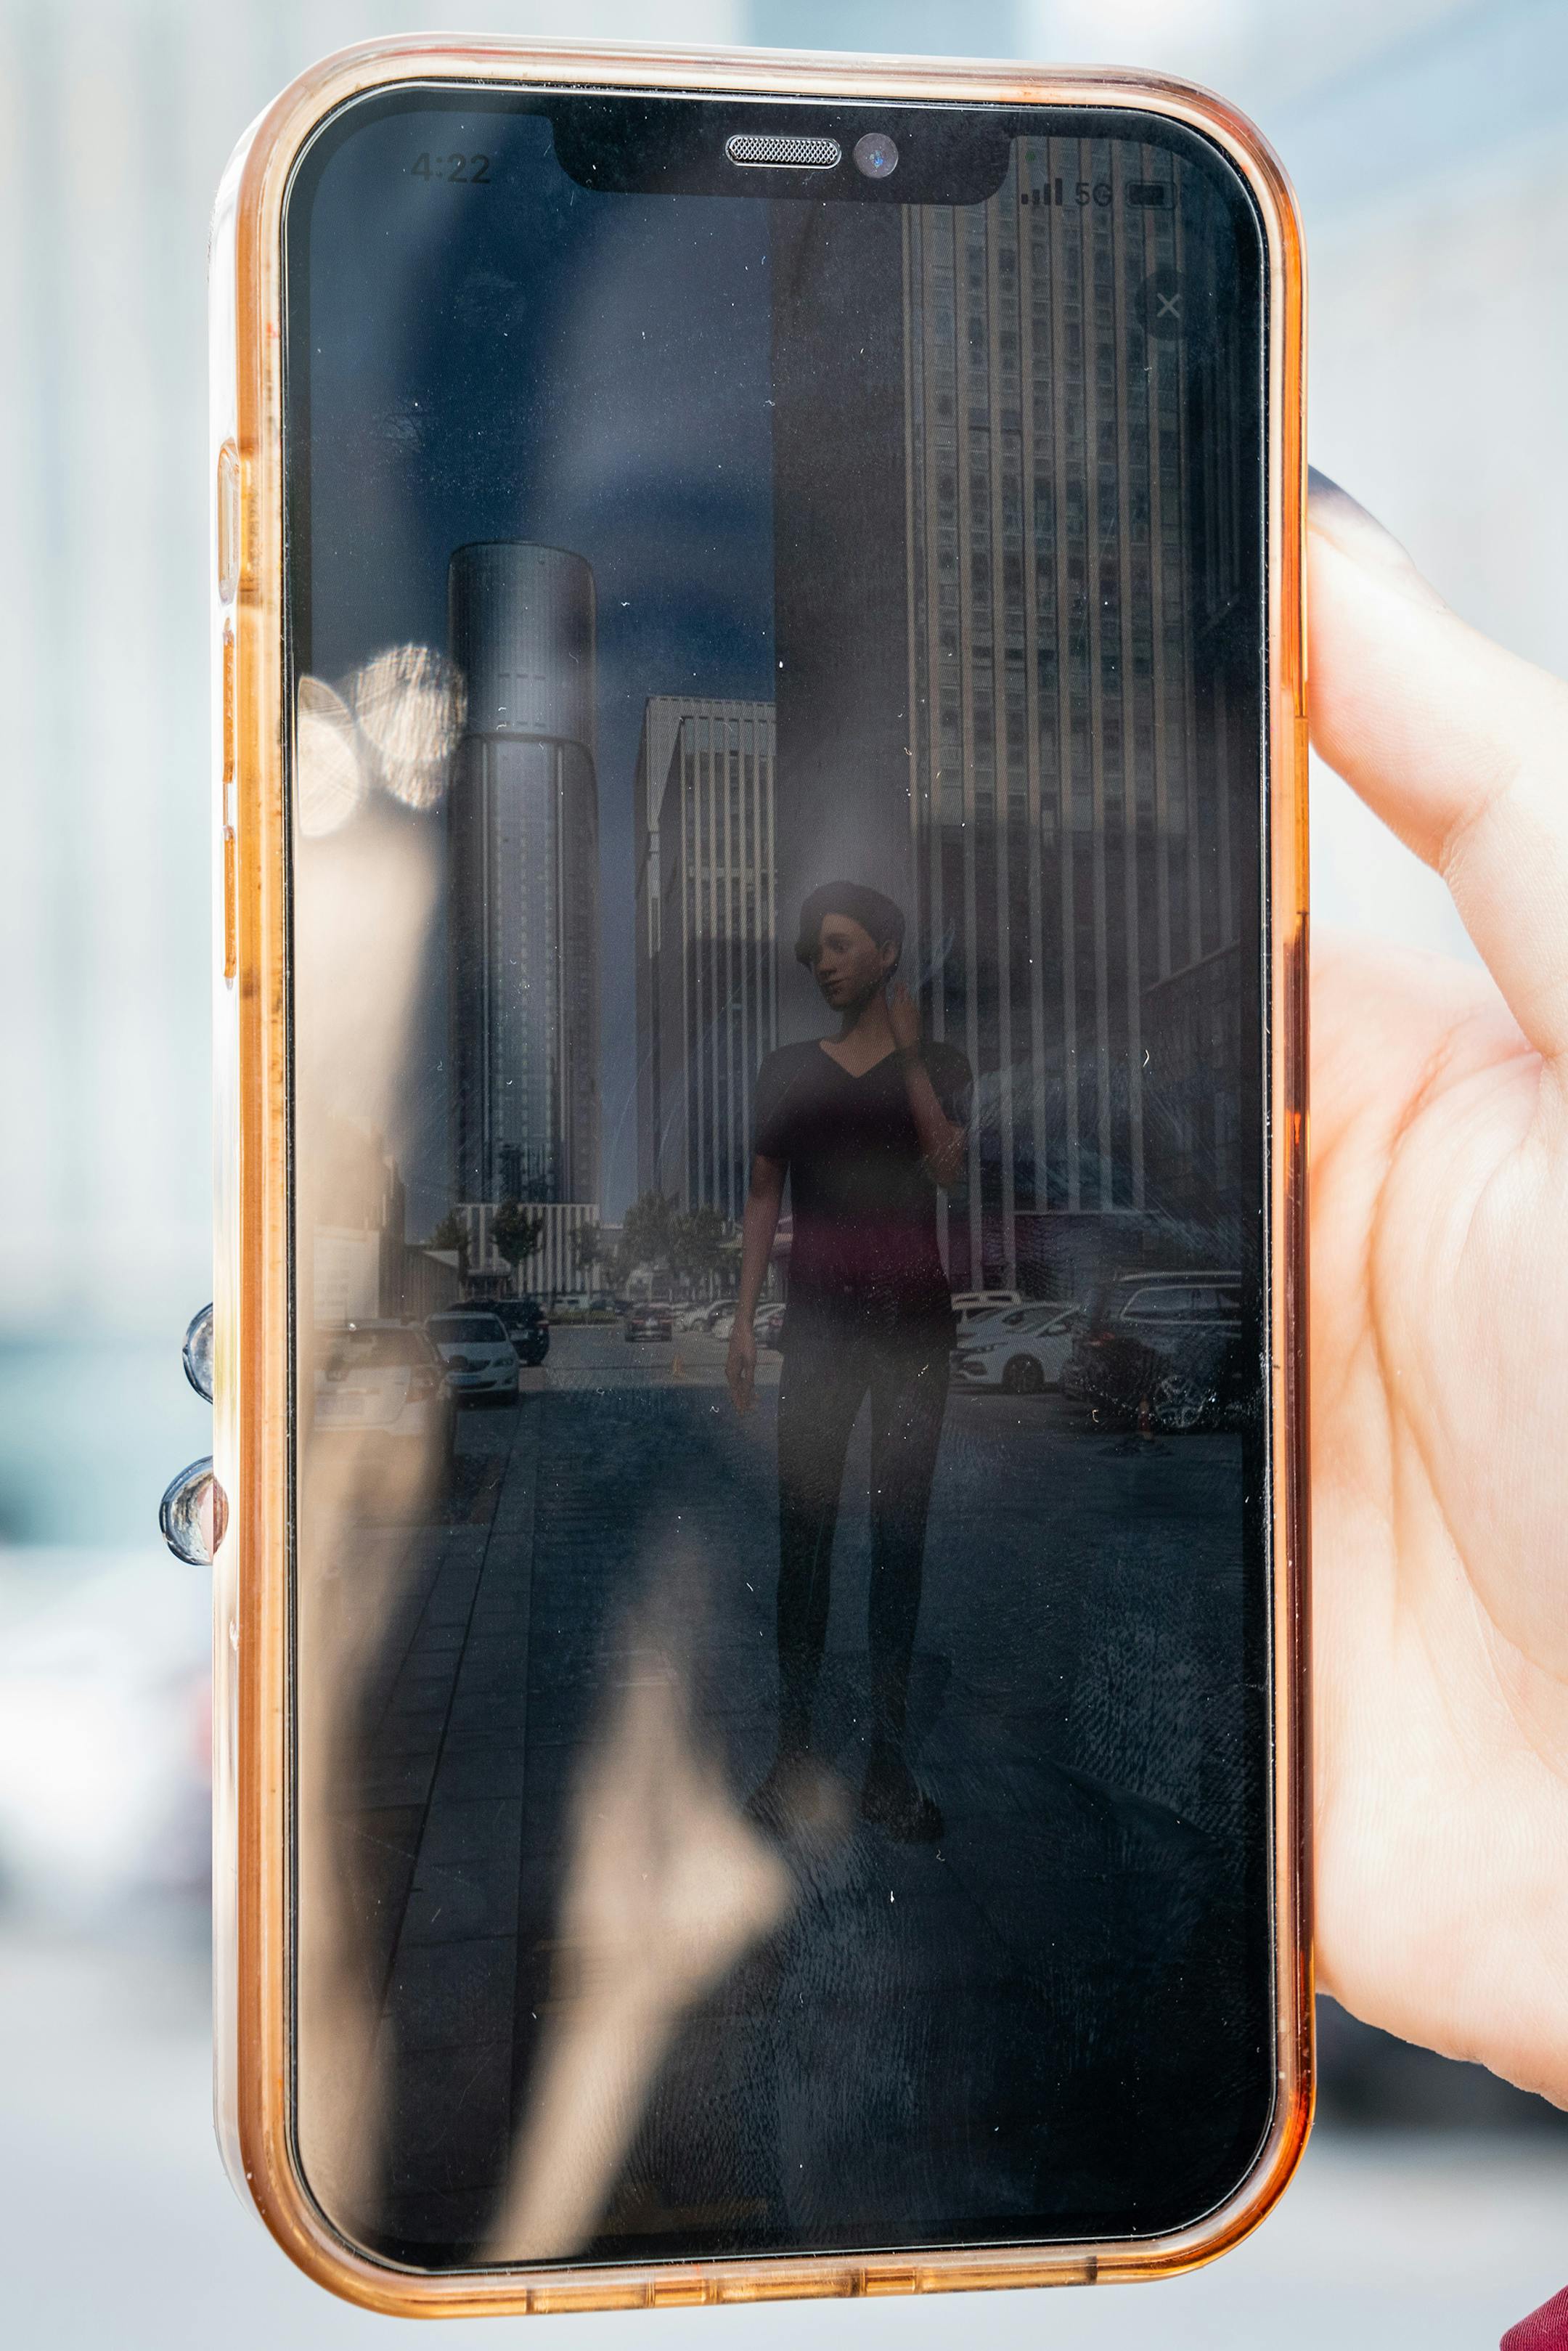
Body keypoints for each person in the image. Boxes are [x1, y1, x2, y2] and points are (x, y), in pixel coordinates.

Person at [726, 882, 971, 1843]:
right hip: (821, 1329)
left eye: (839, 944)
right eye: (814, 951)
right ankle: (792, 1760)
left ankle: (888, 1770)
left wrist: (908, 1058)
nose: (822, 963)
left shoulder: (941, 1063)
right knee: (805, 1541)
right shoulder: (786, 1070)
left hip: (914, 1334)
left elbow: (948, 1167)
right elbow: (762, 1195)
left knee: (899, 1545)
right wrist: (743, 1321)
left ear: (886, 950)